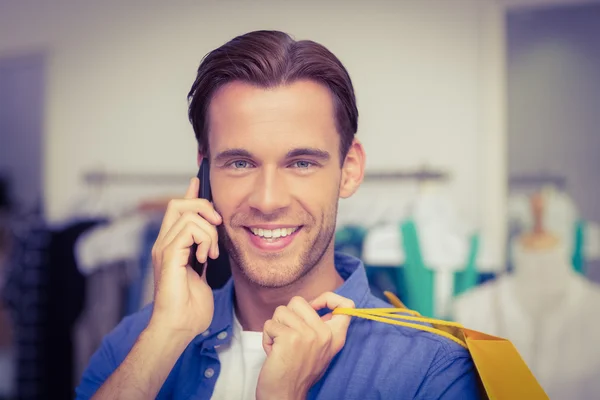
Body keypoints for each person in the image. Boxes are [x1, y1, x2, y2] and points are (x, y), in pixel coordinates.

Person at [76, 30, 480, 400]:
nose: (268, 201)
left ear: (350, 169)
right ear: (205, 170)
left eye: (301, 163)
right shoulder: (134, 344)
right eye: (239, 163)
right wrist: (167, 334)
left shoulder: (433, 372)